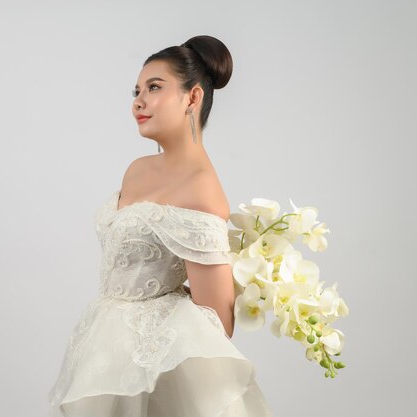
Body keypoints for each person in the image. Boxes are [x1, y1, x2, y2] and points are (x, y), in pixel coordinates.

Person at [47, 35, 273, 416]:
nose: (138, 101)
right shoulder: (137, 169)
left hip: (154, 364)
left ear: (192, 98)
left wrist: (154, 323)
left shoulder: (200, 187)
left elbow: (218, 320)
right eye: (136, 90)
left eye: (154, 88)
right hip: (103, 346)